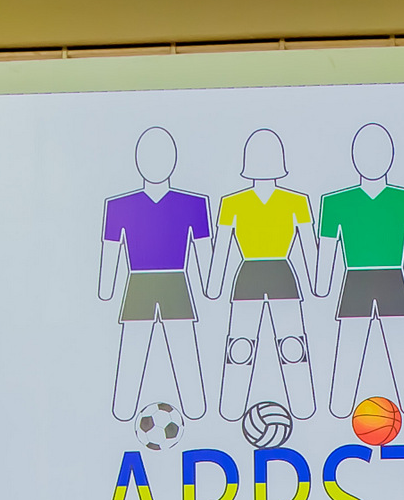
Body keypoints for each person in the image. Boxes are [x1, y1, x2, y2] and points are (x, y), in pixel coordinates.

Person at [205, 128, 323, 424]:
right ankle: (231, 408)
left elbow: (309, 247)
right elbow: (222, 247)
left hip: (282, 277)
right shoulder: (233, 203)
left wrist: (319, 282)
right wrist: (213, 285)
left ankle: (303, 405)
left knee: (292, 347)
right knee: (240, 348)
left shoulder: (296, 202)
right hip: (249, 278)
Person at [317, 123, 404, 420]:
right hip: (357, 282)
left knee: (401, 347)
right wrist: (321, 285)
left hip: (391, 280)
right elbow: (327, 251)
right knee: (350, 349)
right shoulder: (336, 203)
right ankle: (340, 407)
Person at [98, 127, 212, 422]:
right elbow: (110, 251)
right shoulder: (120, 207)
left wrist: (210, 286)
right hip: (140, 286)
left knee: (184, 349)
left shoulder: (192, 205)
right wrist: (105, 289)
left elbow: (204, 254)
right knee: (132, 352)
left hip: (175, 284)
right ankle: (123, 410)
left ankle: (196, 409)